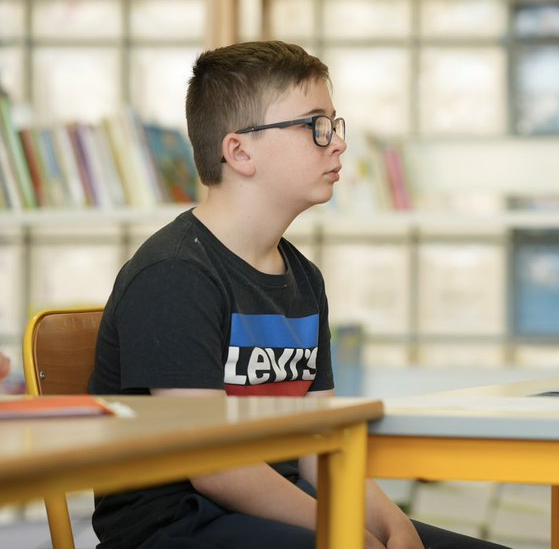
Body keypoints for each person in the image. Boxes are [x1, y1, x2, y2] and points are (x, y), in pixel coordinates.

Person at [89, 41, 506, 549]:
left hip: (275, 508)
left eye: (333, 124)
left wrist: (391, 523)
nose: (338, 144)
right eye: (315, 126)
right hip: (178, 526)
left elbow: (320, 448)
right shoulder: (174, 274)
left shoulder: (304, 278)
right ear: (240, 152)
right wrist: (345, 532)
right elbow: (215, 467)